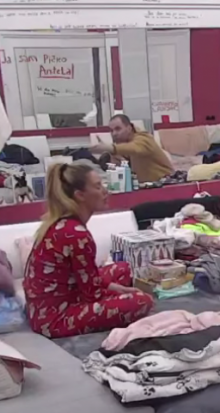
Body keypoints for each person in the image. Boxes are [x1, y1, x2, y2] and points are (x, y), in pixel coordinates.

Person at [23, 162, 154, 339]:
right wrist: (120, 292)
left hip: (46, 307)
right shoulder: (76, 234)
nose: (105, 191)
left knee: (122, 269)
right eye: (98, 186)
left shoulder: (62, 225)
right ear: (80, 195)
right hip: (54, 320)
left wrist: (113, 287)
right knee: (141, 301)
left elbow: (86, 278)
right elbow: (93, 295)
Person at [90, 114, 173, 183]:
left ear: (129, 128)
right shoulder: (125, 143)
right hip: (149, 186)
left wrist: (110, 148)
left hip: (167, 185)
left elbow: (135, 148)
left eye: (118, 129)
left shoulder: (144, 138)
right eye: (111, 130)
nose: (114, 134)